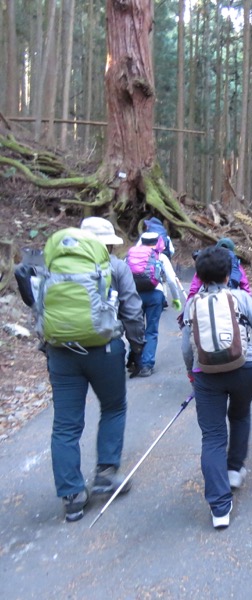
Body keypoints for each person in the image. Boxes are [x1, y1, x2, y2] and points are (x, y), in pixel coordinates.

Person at [48, 217, 145, 522]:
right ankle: (105, 473)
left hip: (61, 351)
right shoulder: (116, 267)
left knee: (65, 425)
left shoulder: (56, 264)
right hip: (104, 349)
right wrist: (137, 347)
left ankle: (72, 497)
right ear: (108, 242)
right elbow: (131, 309)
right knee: (114, 407)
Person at [181, 245, 252, 529]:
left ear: (200, 276)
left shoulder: (192, 304)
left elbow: (187, 348)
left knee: (212, 438)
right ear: (227, 274)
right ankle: (234, 470)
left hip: (207, 375)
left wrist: (191, 374)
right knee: (240, 414)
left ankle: (220, 509)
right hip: (245, 369)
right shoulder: (240, 297)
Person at [131, 231, 182, 378]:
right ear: (157, 241)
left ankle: (135, 361)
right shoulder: (160, 256)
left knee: (135, 328)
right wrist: (176, 298)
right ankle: (146, 365)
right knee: (151, 330)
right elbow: (172, 280)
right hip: (155, 294)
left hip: (134, 295)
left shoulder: (131, 255)